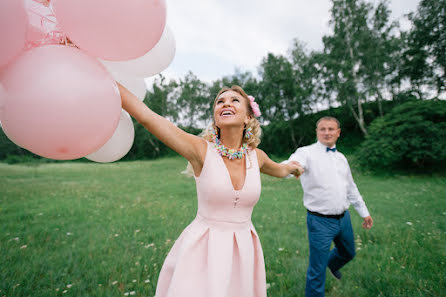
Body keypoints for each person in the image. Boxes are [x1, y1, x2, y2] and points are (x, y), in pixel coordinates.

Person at [118, 83, 303, 297]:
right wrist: (109, 80)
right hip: (203, 250)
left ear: (248, 118)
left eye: (235, 100)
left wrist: (293, 168)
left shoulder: (257, 156)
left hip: (243, 250)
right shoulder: (200, 150)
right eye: (220, 101)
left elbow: (280, 170)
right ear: (216, 117)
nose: (226, 103)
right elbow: (148, 117)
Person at [285, 116, 373, 297]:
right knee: (316, 270)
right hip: (320, 221)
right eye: (322, 129)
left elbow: (351, 187)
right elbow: (292, 165)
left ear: (338, 133)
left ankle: (332, 264)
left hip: (344, 218)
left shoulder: (341, 158)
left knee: (348, 253)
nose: (327, 132)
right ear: (317, 132)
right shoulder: (306, 153)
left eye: (331, 129)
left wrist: (364, 212)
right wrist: (292, 168)